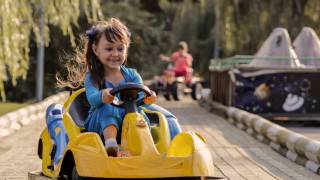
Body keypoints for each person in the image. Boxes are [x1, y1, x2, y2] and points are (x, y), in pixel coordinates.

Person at [57, 18, 181, 157]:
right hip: (99, 125)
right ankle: (111, 144)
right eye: (109, 48)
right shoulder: (93, 77)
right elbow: (92, 99)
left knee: (139, 114)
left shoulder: (132, 75)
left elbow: (140, 96)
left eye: (120, 49)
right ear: (96, 49)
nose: (115, 54)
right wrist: (102, 96)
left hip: (129, 122)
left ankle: (148, 150)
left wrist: (148, 97)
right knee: (109, 105)